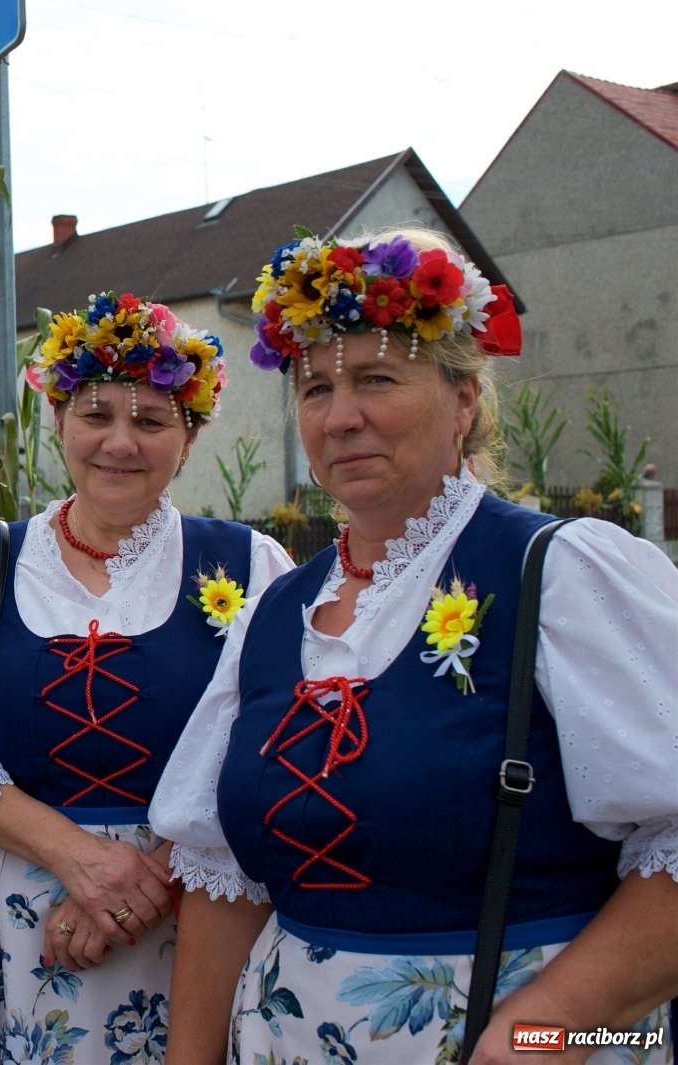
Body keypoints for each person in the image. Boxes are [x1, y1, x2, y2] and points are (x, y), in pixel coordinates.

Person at [152, 228, 678, 1064]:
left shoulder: (557, 574)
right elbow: (227, 881)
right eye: (316, 387)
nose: (341, 414)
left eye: (377, 378)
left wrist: (544, 1032)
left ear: (465, 399)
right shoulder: (278, 610)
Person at [0, 292, 294, 1061]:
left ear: (190, 434)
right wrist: (77, 856)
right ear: (59, 421)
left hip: (201, 920)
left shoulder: (251, 565)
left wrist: (143, 887)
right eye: (96, 414)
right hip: (27, 926)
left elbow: (270, 747)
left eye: (151, 421)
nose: (120, 442)